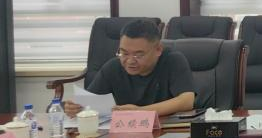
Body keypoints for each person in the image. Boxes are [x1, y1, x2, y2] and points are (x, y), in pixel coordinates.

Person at [62, 18, 195, 116]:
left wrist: (140, 112)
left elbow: (187, 100)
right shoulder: (113, 67)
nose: (130, 61)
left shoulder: (173, 60)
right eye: (124, 53)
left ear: (158, 50)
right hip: (123, 136)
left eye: (139, 55)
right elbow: (89, 103)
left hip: (165, 130)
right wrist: (75, 108)